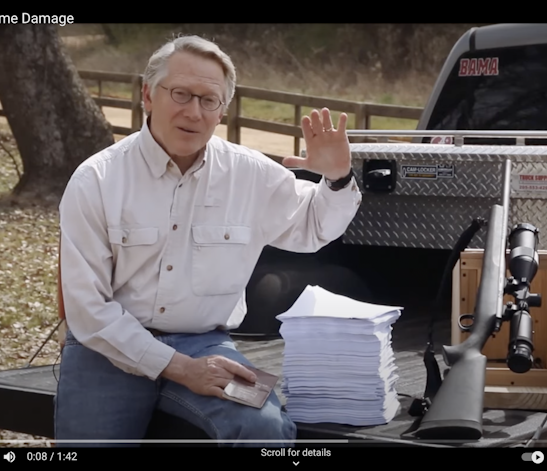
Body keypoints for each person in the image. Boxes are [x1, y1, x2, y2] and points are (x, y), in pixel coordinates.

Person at [54, 34, 362, 447]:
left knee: (266, 431)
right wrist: (179, 368)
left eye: (208, 100)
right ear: (147, 94)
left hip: (204, 343)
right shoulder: (97, 179)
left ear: (222, 111)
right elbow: (88, 311)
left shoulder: (250, 174)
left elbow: (313, 227)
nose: (193, 112)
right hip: (106, 348)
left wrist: (337, 178)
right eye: (180, 93)